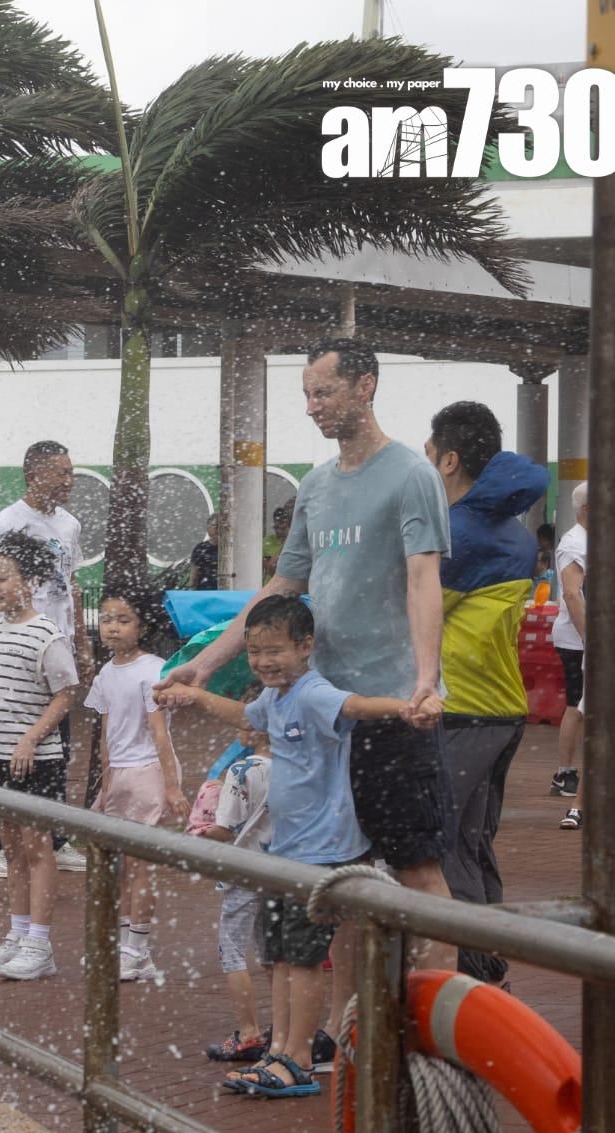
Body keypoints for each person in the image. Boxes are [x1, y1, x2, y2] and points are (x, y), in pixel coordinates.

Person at [160, 338, 459, 986]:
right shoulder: (319, 486)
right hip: (324, 716)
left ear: (366, 386)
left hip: (392, 708)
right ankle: (347, 1032)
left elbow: (422, 578)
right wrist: (207, 663)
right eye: (307, 394)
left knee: (417, 868)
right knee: (342, 879)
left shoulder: (411, 474)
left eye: (323, 392)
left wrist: (425, 680)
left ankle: (440, 1032)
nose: (313, 406)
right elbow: (280, 589)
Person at [159, 596, 432, 1099]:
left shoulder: (311, 693)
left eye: (275, 651)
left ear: (306, 647)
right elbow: (245, 714)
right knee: (280, 958)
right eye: (256, 651)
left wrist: (407, 705)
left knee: (303, 961)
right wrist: (193, 697)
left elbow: (355, 705)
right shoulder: (276, 698)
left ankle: (300, 1060)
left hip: (321, 852)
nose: (263, 661)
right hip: (285, 851)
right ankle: (279, 1050)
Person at [425, 401, 548, 984]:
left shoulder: (456, 534)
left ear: (448, 460)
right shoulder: (512, 531)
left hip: (462, 709)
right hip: (503, 709)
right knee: (473, 841)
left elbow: (416, 615)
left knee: (441, 843)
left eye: (429, 453)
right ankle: (487, 964)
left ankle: (475, 972)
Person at [0, 441, 90, 877]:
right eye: (62, 473)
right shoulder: (5, 524)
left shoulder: (69, 525)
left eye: (71, 472)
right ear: (33, 475)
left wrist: (82, 641)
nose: (69, 480)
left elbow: (71, 585)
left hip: (53, 645)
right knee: (5, 745)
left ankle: (55, 838)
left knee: (55, 748)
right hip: (12, 646)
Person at [0, 532, 79, 982]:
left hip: (36, 761)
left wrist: (31, 738)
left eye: (2, 578)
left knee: (38, 848)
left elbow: (66, 693)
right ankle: (16, 933)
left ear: (29, 582)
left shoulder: (46, 635)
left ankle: (40, 942)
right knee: (10, 850)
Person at [84, 587, 187, 983]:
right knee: (125, 867)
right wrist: (105, 785)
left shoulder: (154, 671)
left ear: (142, 626)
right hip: (122, 776)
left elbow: (159, 733)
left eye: (123, 620)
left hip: (148, 772)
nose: (112, 628)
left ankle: (138, 949)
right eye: (107, 619)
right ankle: (130, 948)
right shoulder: (106, 673)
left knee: (141, 866)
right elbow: (106, 735)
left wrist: (171, 786)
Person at [195, 728, 272, 1063]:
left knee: (233, 953)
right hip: (283, 870)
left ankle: (249, 1031)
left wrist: (200, 829)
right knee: (275, 954)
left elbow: (224, 830)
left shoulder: (242, 771)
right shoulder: (297, 765)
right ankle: (284, 1033)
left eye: (244, 721)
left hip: (244, 869)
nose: (239, 730)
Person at [549, 482, 588, 817]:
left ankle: (572, 773)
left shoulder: (594, 538)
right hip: (576, 640)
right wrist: (591, 638)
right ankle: (565, 773)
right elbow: (573, 594)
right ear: (586, 509)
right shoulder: (574, 542)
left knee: (581, 704)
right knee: (577, 704)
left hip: (585, 638)